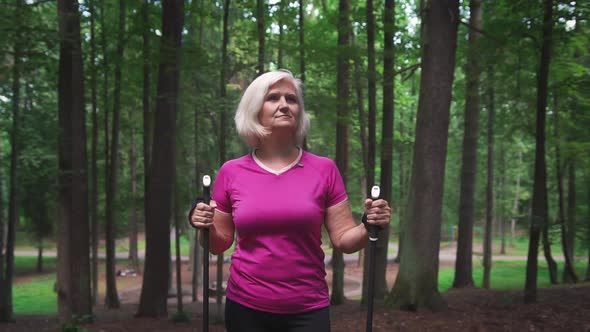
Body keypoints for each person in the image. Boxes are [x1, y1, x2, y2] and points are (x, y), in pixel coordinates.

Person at [189, 69, 391, 332]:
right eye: (273, 98)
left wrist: (369, 224)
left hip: (308, 309)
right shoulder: (231, 172)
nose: (284, 105)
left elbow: (344, 240)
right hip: (246, 308)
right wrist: (203, 225)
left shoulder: (324, 169)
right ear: (255, 109)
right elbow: (218, 243)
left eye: (291, 99)